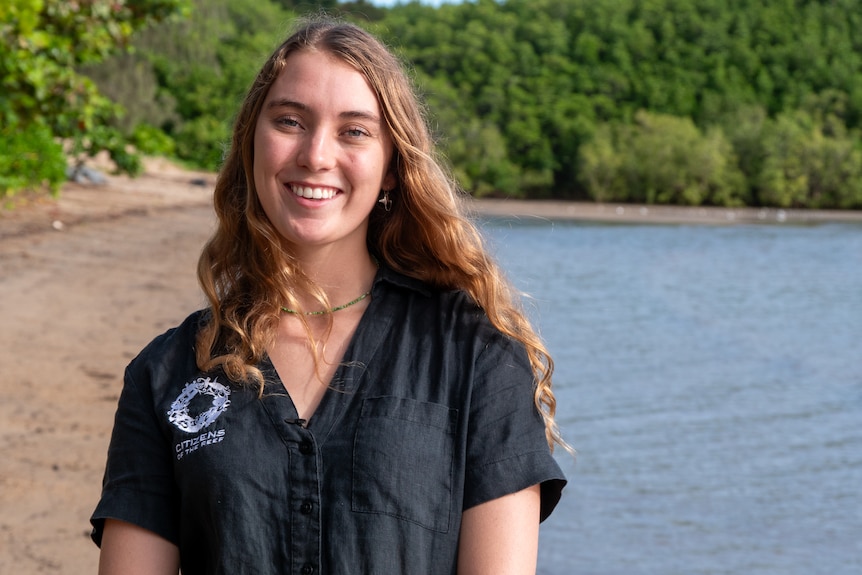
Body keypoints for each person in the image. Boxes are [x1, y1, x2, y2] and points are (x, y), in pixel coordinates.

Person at [91, 17, 567, 575]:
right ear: (252, 143)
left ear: (391, 167)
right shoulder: (165, 374)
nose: (316, 154)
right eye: (290, 121)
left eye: (355, 130)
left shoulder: (475, 356)